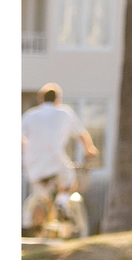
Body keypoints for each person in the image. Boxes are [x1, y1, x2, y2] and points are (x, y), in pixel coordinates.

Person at [21, 85, 95, 232]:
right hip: (55, 159)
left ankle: (37, 226)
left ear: (41, 99)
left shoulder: (30, 115)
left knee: (40, 193)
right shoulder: (65, 113)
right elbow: (81, 134)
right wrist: (90, 150)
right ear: (58, 100)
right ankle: (61, 203)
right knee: (69, 181)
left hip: (33, 162)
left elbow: (20, 138)